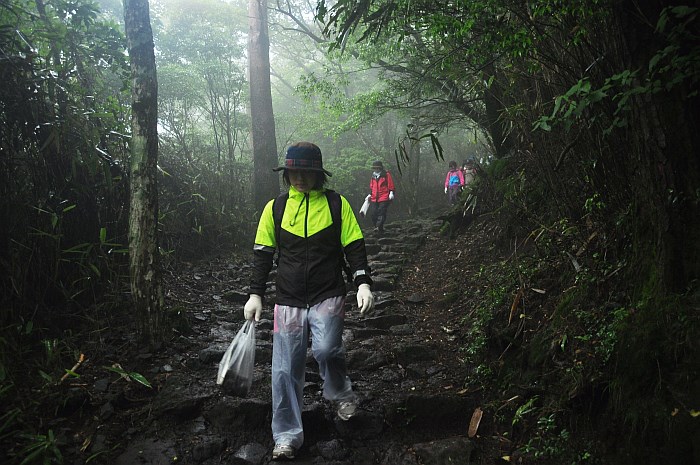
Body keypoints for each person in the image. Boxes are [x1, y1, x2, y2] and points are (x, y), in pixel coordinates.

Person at [243, 142, 375, 461]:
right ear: (287, 175)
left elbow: (354, 246)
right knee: (285, 369)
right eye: (293, 172)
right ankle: (286, 435)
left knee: (328, 349)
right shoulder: (275, 208)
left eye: (306, 172)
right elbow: (262, 254)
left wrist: (363, 283)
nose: (299, 178)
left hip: (327, 290)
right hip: (288, 297)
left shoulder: (335, 204)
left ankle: (341, 394)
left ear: (318, 175)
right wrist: (255, 293)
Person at [368, 160, 395, 234]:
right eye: (375, 168)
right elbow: (372, 186)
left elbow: (390, 184)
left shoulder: (386, 174)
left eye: (377, 168)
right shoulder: (373, 176)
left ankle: (378, 227)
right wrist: (370, 194)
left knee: (381, 212)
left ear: (380, 168)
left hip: (384, 196)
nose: (376, 169)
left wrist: (391, 193)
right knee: (373, 213)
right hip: (374, 197)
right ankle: (377, 227)